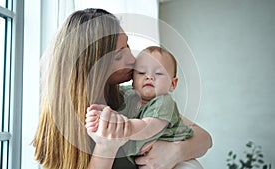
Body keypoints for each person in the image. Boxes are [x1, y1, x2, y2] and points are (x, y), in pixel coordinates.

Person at [32, 8, 212, 169]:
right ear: (92, 67)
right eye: (119, 56)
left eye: (127, 45)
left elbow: (204, 138)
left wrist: (175, 151)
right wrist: (106, 147)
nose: (133, 60)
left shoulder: (128, 96)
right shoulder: (60, 132)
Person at [86, 46, 202, 168]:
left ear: (173, 84)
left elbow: (148, 127)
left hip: (177, 164)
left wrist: (122, 127)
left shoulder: (164, 102)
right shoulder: (128, 96)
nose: (149, 77)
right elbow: (109, 107)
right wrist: (100, 113)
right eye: (141, 73)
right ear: (133, 81)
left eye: (158, 73)